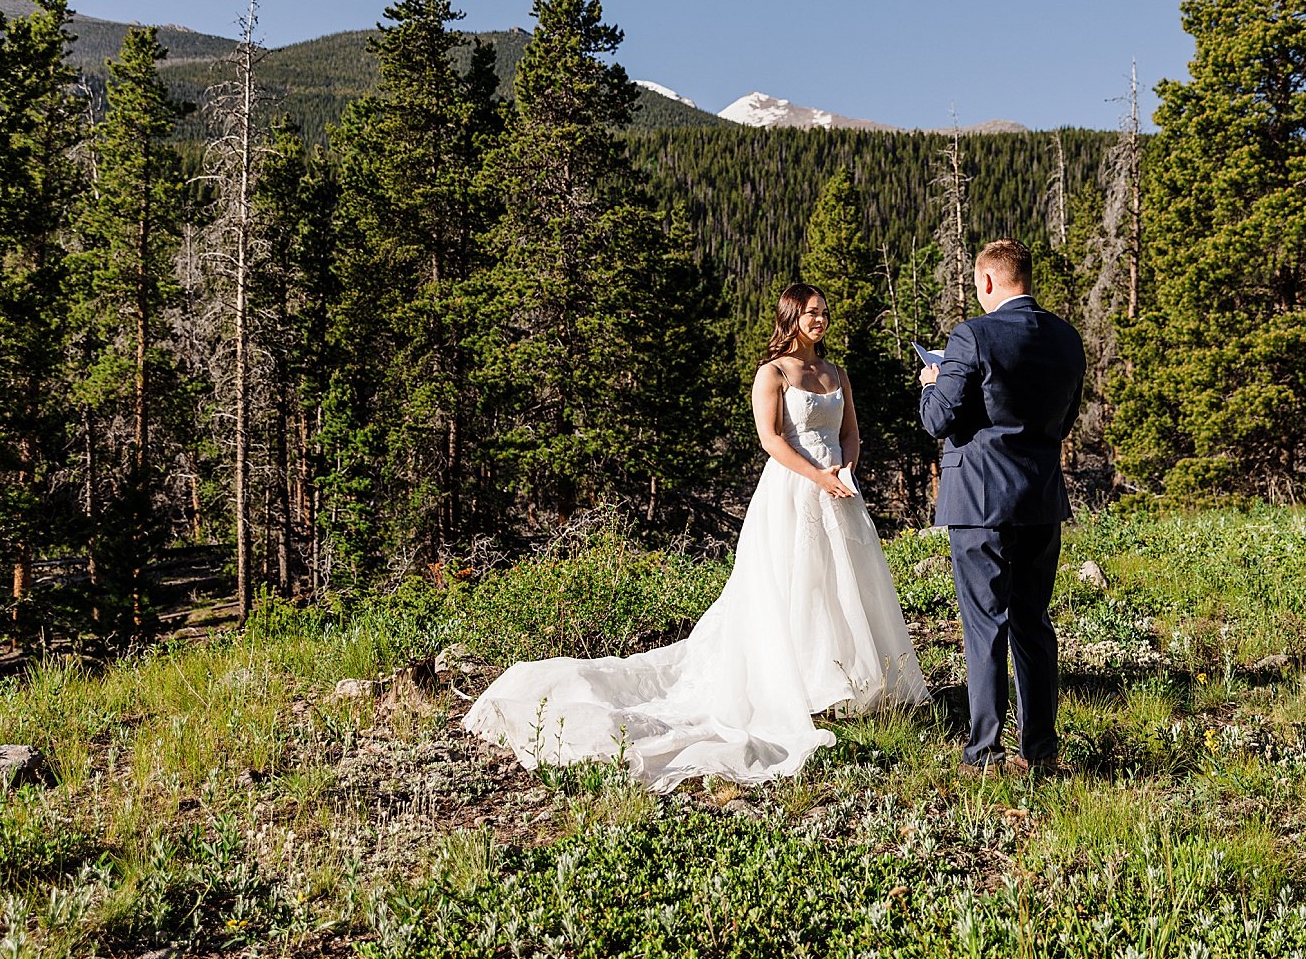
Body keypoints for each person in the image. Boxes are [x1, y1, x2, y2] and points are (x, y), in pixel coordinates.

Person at [464, 283, 928, 791]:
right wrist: (818, 476)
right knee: (796, 587)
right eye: (811, 313)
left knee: (846, 585)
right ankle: (803, 688)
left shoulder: (835, 373)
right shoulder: (771, 374)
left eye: (824, 313)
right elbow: (771, 439)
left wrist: (847, 466)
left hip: (840, 487)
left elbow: (850, 430)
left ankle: (848, 683)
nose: (820, 321)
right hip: (793, 492)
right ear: (791, 317)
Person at [918, 239, 1086, 774]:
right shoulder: (1066, 337)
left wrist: (931, 383)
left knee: (985, 624)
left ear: (987, 281)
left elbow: (939, 419)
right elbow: (1064, 420)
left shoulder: (972, 335)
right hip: (1039, 496)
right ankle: (1040, 751)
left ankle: (984, 752)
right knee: (1032, 622)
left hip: (978, 499)